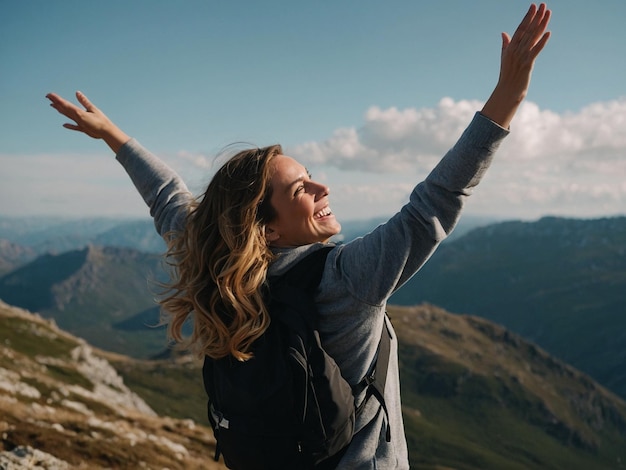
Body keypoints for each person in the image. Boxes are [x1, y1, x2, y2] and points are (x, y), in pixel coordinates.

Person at [46, 4, 551, 468]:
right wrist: (507, 97)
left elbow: (167, 200)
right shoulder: (346, 279)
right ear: (266, 226)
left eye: (310, 174)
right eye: (301, 188)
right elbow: (433, 205)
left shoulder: (215, 258)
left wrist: (113, 136)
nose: (322, 186)